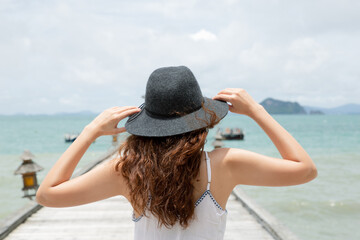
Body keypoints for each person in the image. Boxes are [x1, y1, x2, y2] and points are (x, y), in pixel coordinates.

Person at [36, 66, 317, 240]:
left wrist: (90, 131)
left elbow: (47, 194)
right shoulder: (225, 164)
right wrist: (257, 111)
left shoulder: (127, 172)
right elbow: (305, 169)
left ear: (149, 123)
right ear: (200, 121)